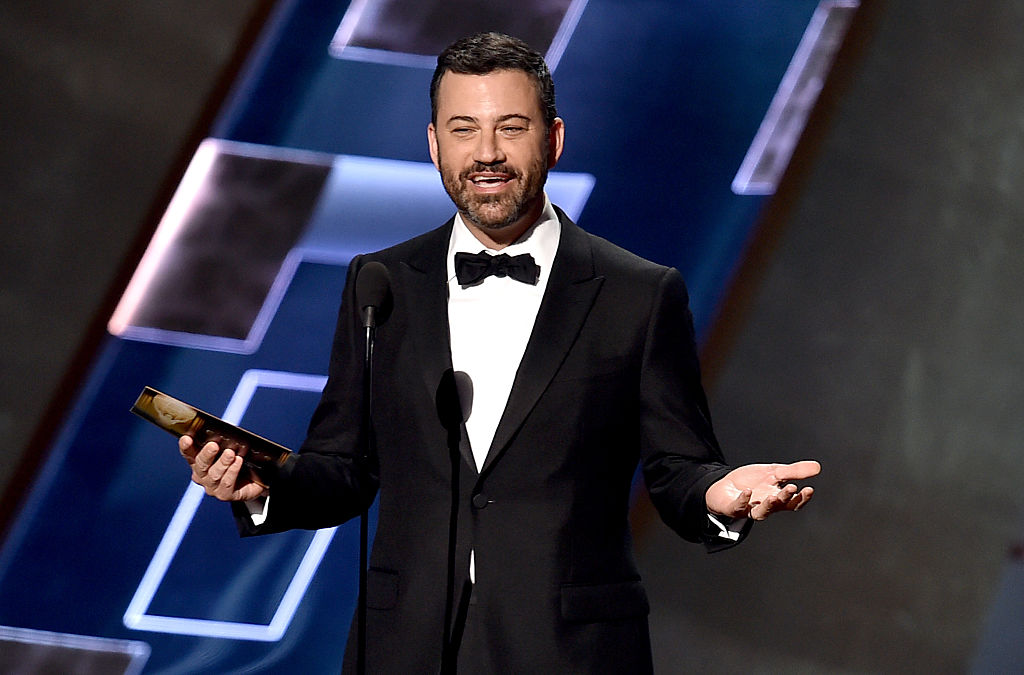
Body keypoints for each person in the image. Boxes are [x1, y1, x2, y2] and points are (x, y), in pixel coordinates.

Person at [179, 31, 820, 673]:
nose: (486, 154)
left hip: (569, 651)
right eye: (463, 130)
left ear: (553, 139)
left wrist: (720, 496)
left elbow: (678, 467)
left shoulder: (639, 294)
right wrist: (261, 483)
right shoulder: (380, 284)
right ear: (434, 145)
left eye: (510, 127)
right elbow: (343, 467)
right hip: (405, 649)